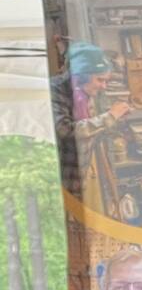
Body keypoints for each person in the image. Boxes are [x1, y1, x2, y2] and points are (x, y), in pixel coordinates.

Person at [50, 41, 130, 196]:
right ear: (80, 76)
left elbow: (91, 130)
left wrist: (116, 121)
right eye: (100, 80)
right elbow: (65, 130)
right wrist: (109, 116)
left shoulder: (85, 90)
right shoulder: (53, 90)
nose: (104, 86)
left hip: (78, 175)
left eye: (106, 81)